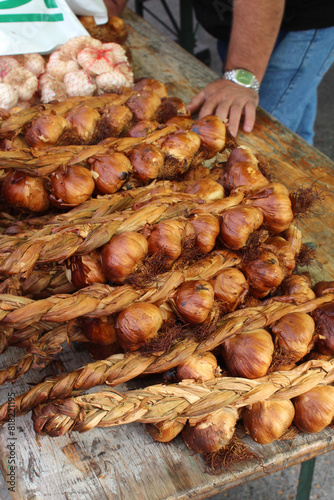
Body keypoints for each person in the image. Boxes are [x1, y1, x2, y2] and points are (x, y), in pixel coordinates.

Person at [104, 0, 334, 144]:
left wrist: (242, 76)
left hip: (297, 19)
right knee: (296, 102)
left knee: (251, 140)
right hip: (235, 16)